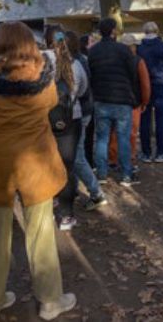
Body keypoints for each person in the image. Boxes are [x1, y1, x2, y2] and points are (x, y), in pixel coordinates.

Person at [0, 22, 76, 321]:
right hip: (36, 163)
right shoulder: (44, 75)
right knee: (41, 233)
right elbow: (52, 104)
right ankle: (51, 301)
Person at [43, 25, 88, 231]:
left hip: (42, 120)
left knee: (43, 164)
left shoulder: (39, 62)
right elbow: (82, 89)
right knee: (67, 168)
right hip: (71, 119)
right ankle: (67, 216)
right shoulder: (75, 64)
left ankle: (44, 209)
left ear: (46, 40)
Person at [88, 18, 140, 186]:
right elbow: (133, 73)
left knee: (102, 138)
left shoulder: (93, 51)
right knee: (123, 137)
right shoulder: (123, 50)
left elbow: (91, 75)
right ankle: (126, 174)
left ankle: (102, 174)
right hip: (122, 100)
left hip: (101, 99)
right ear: (113, 31)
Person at [65, 31, 107, 211]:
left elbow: (81, 89)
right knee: (74, 154)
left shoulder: (74, 63)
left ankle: (96, 193)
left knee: (77, 156)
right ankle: (74, 189)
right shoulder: (81, 60)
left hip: (76, 112)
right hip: (83, 110)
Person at [137, 22, 163, 162]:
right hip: (160, 85)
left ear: (144, 31)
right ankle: (161, 152)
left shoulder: (139, 48)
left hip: (143, 85)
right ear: (157, 31)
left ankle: (146, 152)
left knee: (145, 120)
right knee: (161, 120)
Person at [118, 34, 150, 166]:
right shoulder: (138, 61)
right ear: (132, 47)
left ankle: (114, 158)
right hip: (134, 102)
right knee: (132, 132)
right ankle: (130, 157)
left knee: (115, 132)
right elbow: (145, 84)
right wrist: (145, 101)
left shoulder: (116, 60)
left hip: (117, 100)